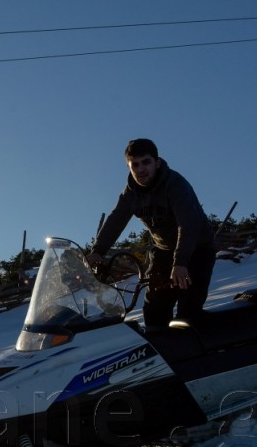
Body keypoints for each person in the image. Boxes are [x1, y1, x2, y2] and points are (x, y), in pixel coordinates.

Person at [86, 137, 217, 329]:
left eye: (146, 162)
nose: (140, 169)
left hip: (197, 248)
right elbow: (116, 220)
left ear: (157, 162)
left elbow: (188, 226)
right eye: (135, 165)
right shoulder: (130, 193)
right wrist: (97, 251)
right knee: (155, 307)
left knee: (188, 310)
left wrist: (180, 263)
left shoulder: (175, 185)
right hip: (164, 250)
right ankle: (161, 353)